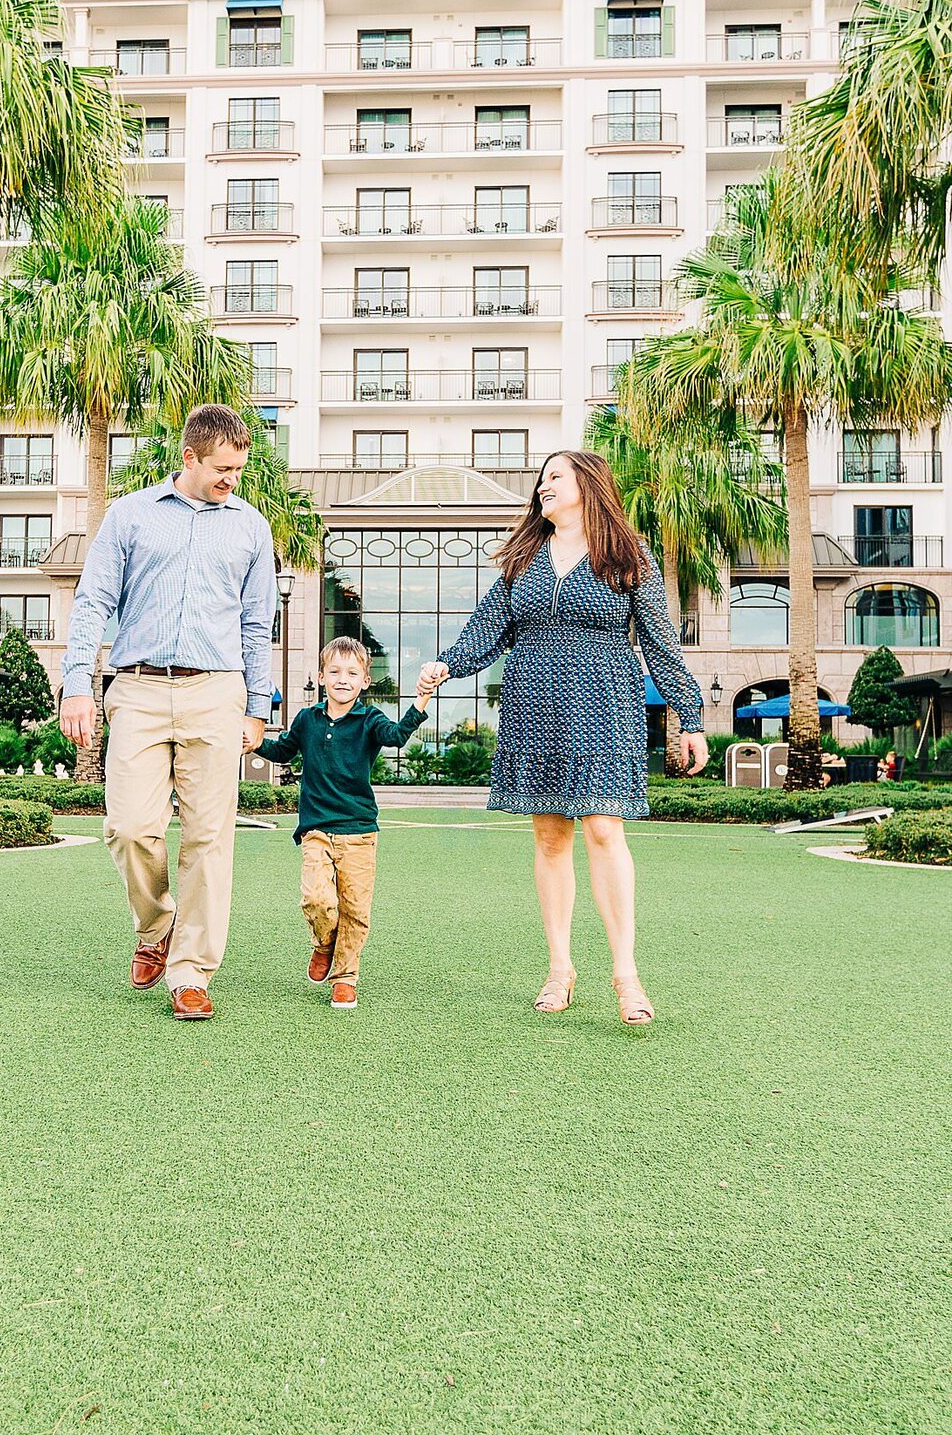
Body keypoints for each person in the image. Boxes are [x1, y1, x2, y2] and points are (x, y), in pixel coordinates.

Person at [417, 450, 707, 1026]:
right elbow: (487, 629)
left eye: (556, 477)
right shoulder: (524, 556)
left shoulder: (628, 556)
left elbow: (658, 640)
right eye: (541, 479)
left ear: (587, 486)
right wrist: (447, 664)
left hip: (604, 701)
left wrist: (689, 715)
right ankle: (560, 968)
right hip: (531, 703)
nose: (543, 486)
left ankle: (626, 974)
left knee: (603, 828)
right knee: (550, 836)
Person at [60, 405, 276, 1022]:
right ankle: (156, 925)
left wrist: (257, 707)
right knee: (129, 827)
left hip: (218, 692)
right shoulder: (129, 515)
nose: (231, 479)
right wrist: (77, 684)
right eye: (221, 469)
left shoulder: (250, 528)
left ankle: (190, 971)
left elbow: (257, 624)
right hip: (137, 688)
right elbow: (94, 599)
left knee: (209, 839)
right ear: (189, 457)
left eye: (238, 469)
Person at [251, 637, 433, 1010]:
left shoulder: (370, 721)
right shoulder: (307, 720)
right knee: (316, 898)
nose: (343, 679)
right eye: (334, 672)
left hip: (360, 833)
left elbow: (397, 737)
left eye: (352, 673)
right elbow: (282, 750)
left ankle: (345, 976)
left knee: (354, 910)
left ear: (365, 681)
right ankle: (323, 943)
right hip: (316, 829)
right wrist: (252, 743)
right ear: (321, 677)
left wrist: (420, 702)